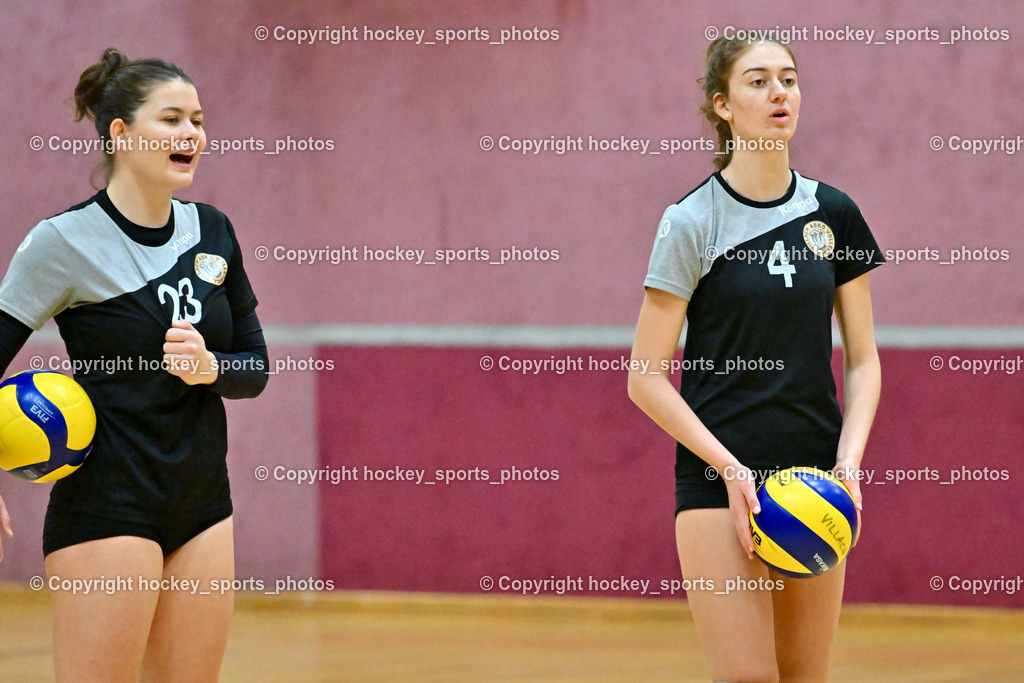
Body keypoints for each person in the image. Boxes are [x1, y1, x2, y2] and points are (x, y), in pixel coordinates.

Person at [0, 48, 267, 682]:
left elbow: (254, 368)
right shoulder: (62, 242)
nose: (191, 135)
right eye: (171, 118)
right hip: (108, 505)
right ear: (120, 134)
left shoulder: (213, 231)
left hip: (203, 503)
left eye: (197, 120)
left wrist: (211, 369)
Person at [628, 36, 883, 682]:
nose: (779, 93)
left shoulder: (836, 214)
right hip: (720, 483)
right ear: (723, 106)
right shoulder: (690, 221)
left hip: (814, 480)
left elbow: (862, 360)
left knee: (805, 676)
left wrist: (847, 464)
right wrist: (730, 467)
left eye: (789, 80)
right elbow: (645, 377)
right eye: (759, 80)